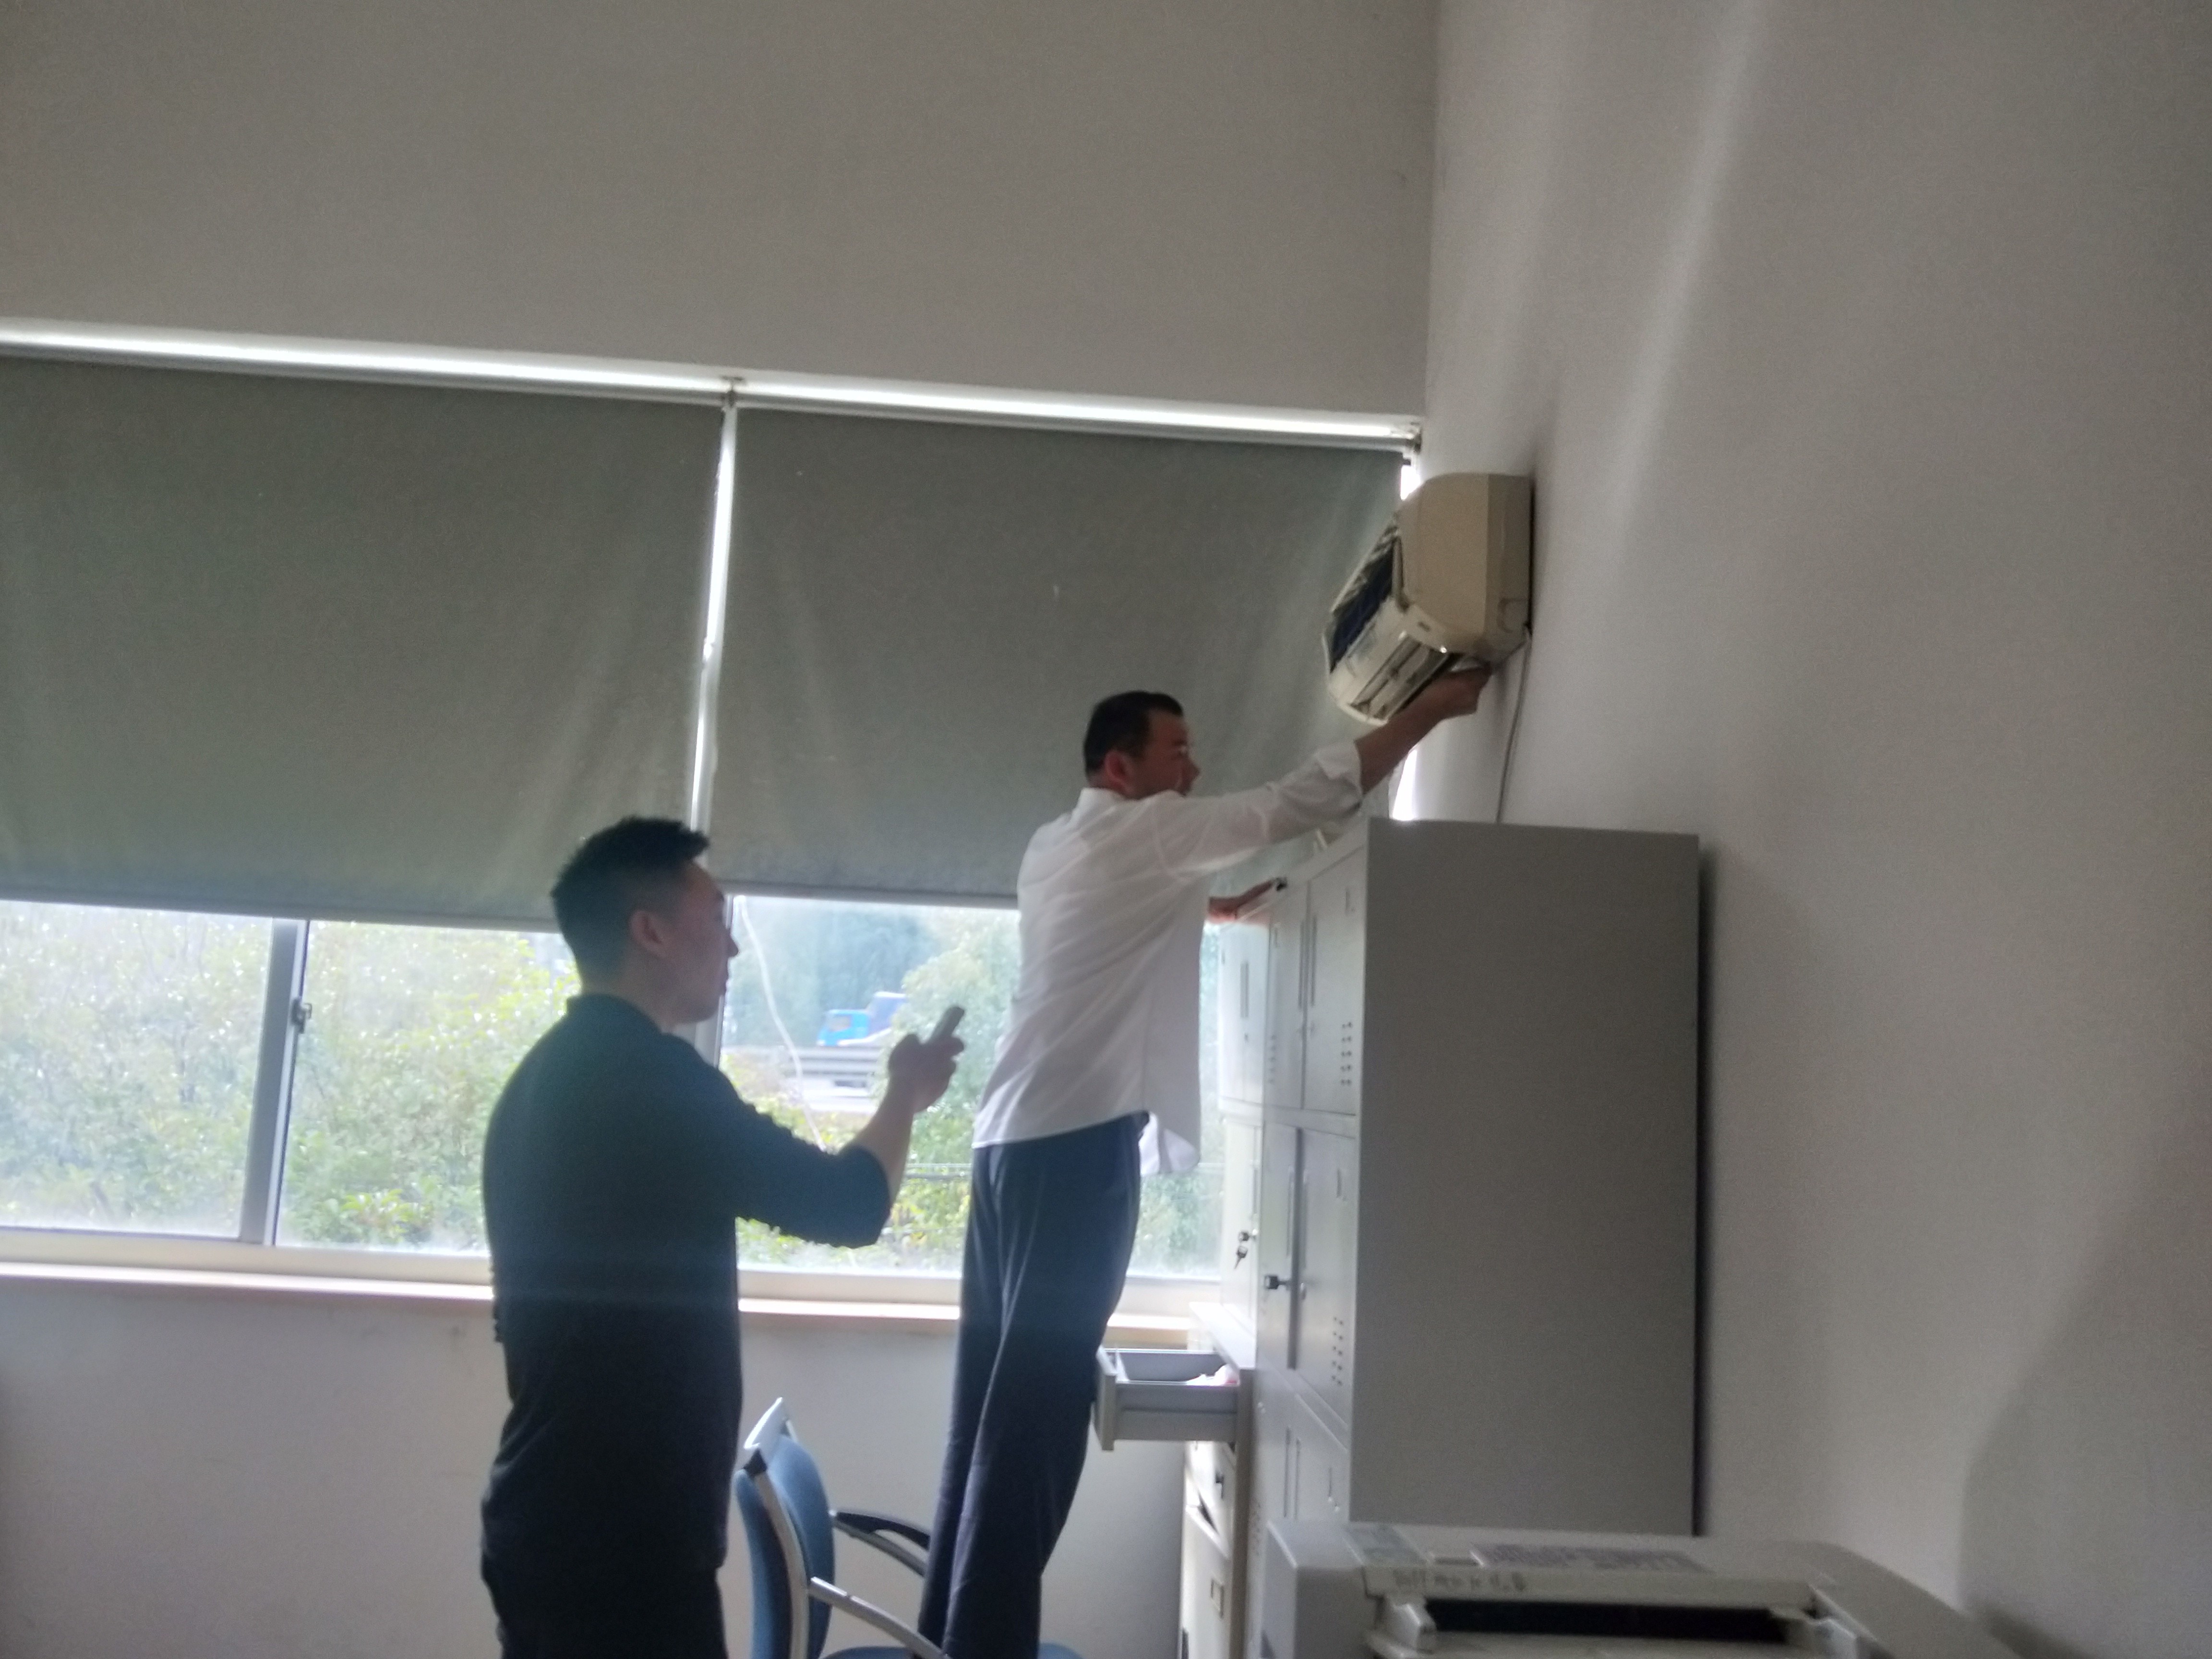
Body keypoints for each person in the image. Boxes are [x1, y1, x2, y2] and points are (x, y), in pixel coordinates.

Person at [916, 669, 1491, 1658]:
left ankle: (948, 1638)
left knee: (987, 1422)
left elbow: (1105, 928)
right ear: (1120, 767)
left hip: (1006, 1144)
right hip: (1074, 1150)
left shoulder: (1055, 844)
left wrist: (1207, 908)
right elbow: (1295, 800)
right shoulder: (1149, 834)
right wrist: (1430, 711)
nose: (1194, 768)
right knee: (1037, 1432)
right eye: (1177, 752)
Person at [479, 816, 963, 1659]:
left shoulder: (545, 1077)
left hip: (569, 1522)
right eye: (716, 917)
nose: (733, 947)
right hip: (615, 1546)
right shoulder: (647, 1081)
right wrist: (905, 1094)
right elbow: (847, 1205)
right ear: (651, 931)